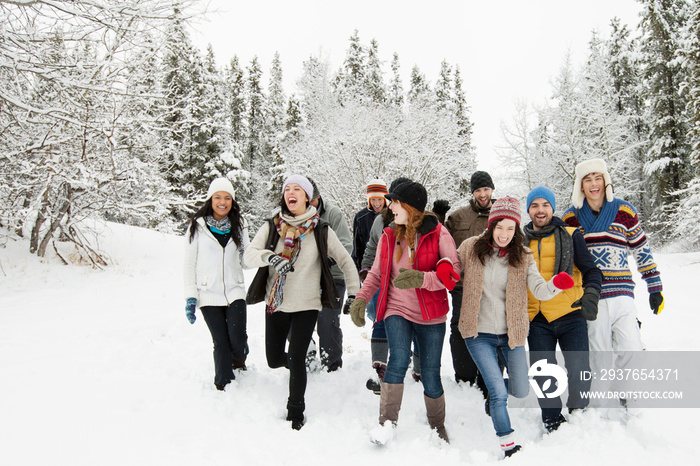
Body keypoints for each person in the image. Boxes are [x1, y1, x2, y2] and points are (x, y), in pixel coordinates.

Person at [457, 196, 574, 458]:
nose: (504, 234)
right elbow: (453, 267)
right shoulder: (471, 247)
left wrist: (557, 283)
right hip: (479, 334)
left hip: (512, 334)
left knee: (520, 390)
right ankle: (508, 445)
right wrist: (443, 270)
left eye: (510, 228)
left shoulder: (523, 256)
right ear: (491, 225)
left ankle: (496, 384)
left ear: (516, 229)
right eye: (500, 227)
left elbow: (541, 291)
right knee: (499, 393)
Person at [244, 175, 360, 430]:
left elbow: (345, 260)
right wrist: (270, 257)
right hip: (276, 302)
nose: (291, 193)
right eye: (287, 189)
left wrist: (354, 293)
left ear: (308, 197)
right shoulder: (272, 226)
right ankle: (299, 363)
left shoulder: (320, 229)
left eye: (297, 189)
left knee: (296, 358)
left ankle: (295, 410)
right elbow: (249, 256)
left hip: (307, 304)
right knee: (274, 359)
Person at [349, 181, 461, 444]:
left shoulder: (438, 233)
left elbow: (453, 273)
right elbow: (376, 273)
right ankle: (387, 423)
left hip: (431, 313)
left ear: (410, 207)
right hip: (396, 308)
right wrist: (361, 298)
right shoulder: (389, 235)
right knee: (398, 358)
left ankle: (438, 425)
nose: (391, 207)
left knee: (431, 371)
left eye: (395, 202)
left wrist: (422, 279)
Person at [562, 159, 664, 409]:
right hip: (592, 297)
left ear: (605, 180)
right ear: (581, 185)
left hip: (622, 294)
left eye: (598, 178)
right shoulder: (571, 216)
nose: (594, 184)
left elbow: (641, 249)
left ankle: (628, 393)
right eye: (588, 179)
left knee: (631, 345)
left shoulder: (624, 211)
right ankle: (600, 402)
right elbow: (567, 258)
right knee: (600, 354)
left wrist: (655, 286)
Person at [523, 186, 603, 432]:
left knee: (579, 368)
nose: (540, 210)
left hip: (570, 313)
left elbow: (592, 270)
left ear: (552, 208)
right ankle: (551, 419)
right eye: (535, 205)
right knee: (542, 372)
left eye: (545, 205)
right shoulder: (519, 240)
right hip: (537, 317)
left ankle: (578, 410)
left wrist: (591, 293)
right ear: (528, 210)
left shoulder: (571, 235)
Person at [183, 177, 250, 392]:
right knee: (220, 341)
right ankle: (224, 384)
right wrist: (191, 296)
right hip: (208, 292)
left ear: (232, 200)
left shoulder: (240, 225)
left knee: (237, 340)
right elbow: (189, 264)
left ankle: (239, 360)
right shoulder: (197, 226)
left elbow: (246, 261)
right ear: (211, 199)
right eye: (218, 197)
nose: (222, 202)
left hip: (235, 290)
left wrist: (264, 255)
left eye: (227, 197)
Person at [444, 171, 495, 393]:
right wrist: (438, 215)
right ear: (472, 192)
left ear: (492, 190)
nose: (482, 194)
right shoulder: (458, 217)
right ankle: (464, 377)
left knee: (491, 327)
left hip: (491, 283)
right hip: (463, 284)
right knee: (460, 327)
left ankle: (488, 375)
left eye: (486, 189)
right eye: (478, 190)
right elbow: (439, 239)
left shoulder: (501, 214)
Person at [307, 177, 355, 372]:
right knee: (300, 321)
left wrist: (327, 261)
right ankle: (307, 357)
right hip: (305, 278)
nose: (309, 205)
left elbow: (346, 244)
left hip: (333, 277)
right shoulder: (292, 216)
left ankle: (331, 364)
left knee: (328, 321)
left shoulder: (332, 214)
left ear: (318, 198)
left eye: (312, 200)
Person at [352, 178, 388, 271]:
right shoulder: (360, 217)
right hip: (368, 266)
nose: (377, 203)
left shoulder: (392, 215)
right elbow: (357, 248)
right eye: (373, 199)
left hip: (387, 266)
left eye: (380, 199)